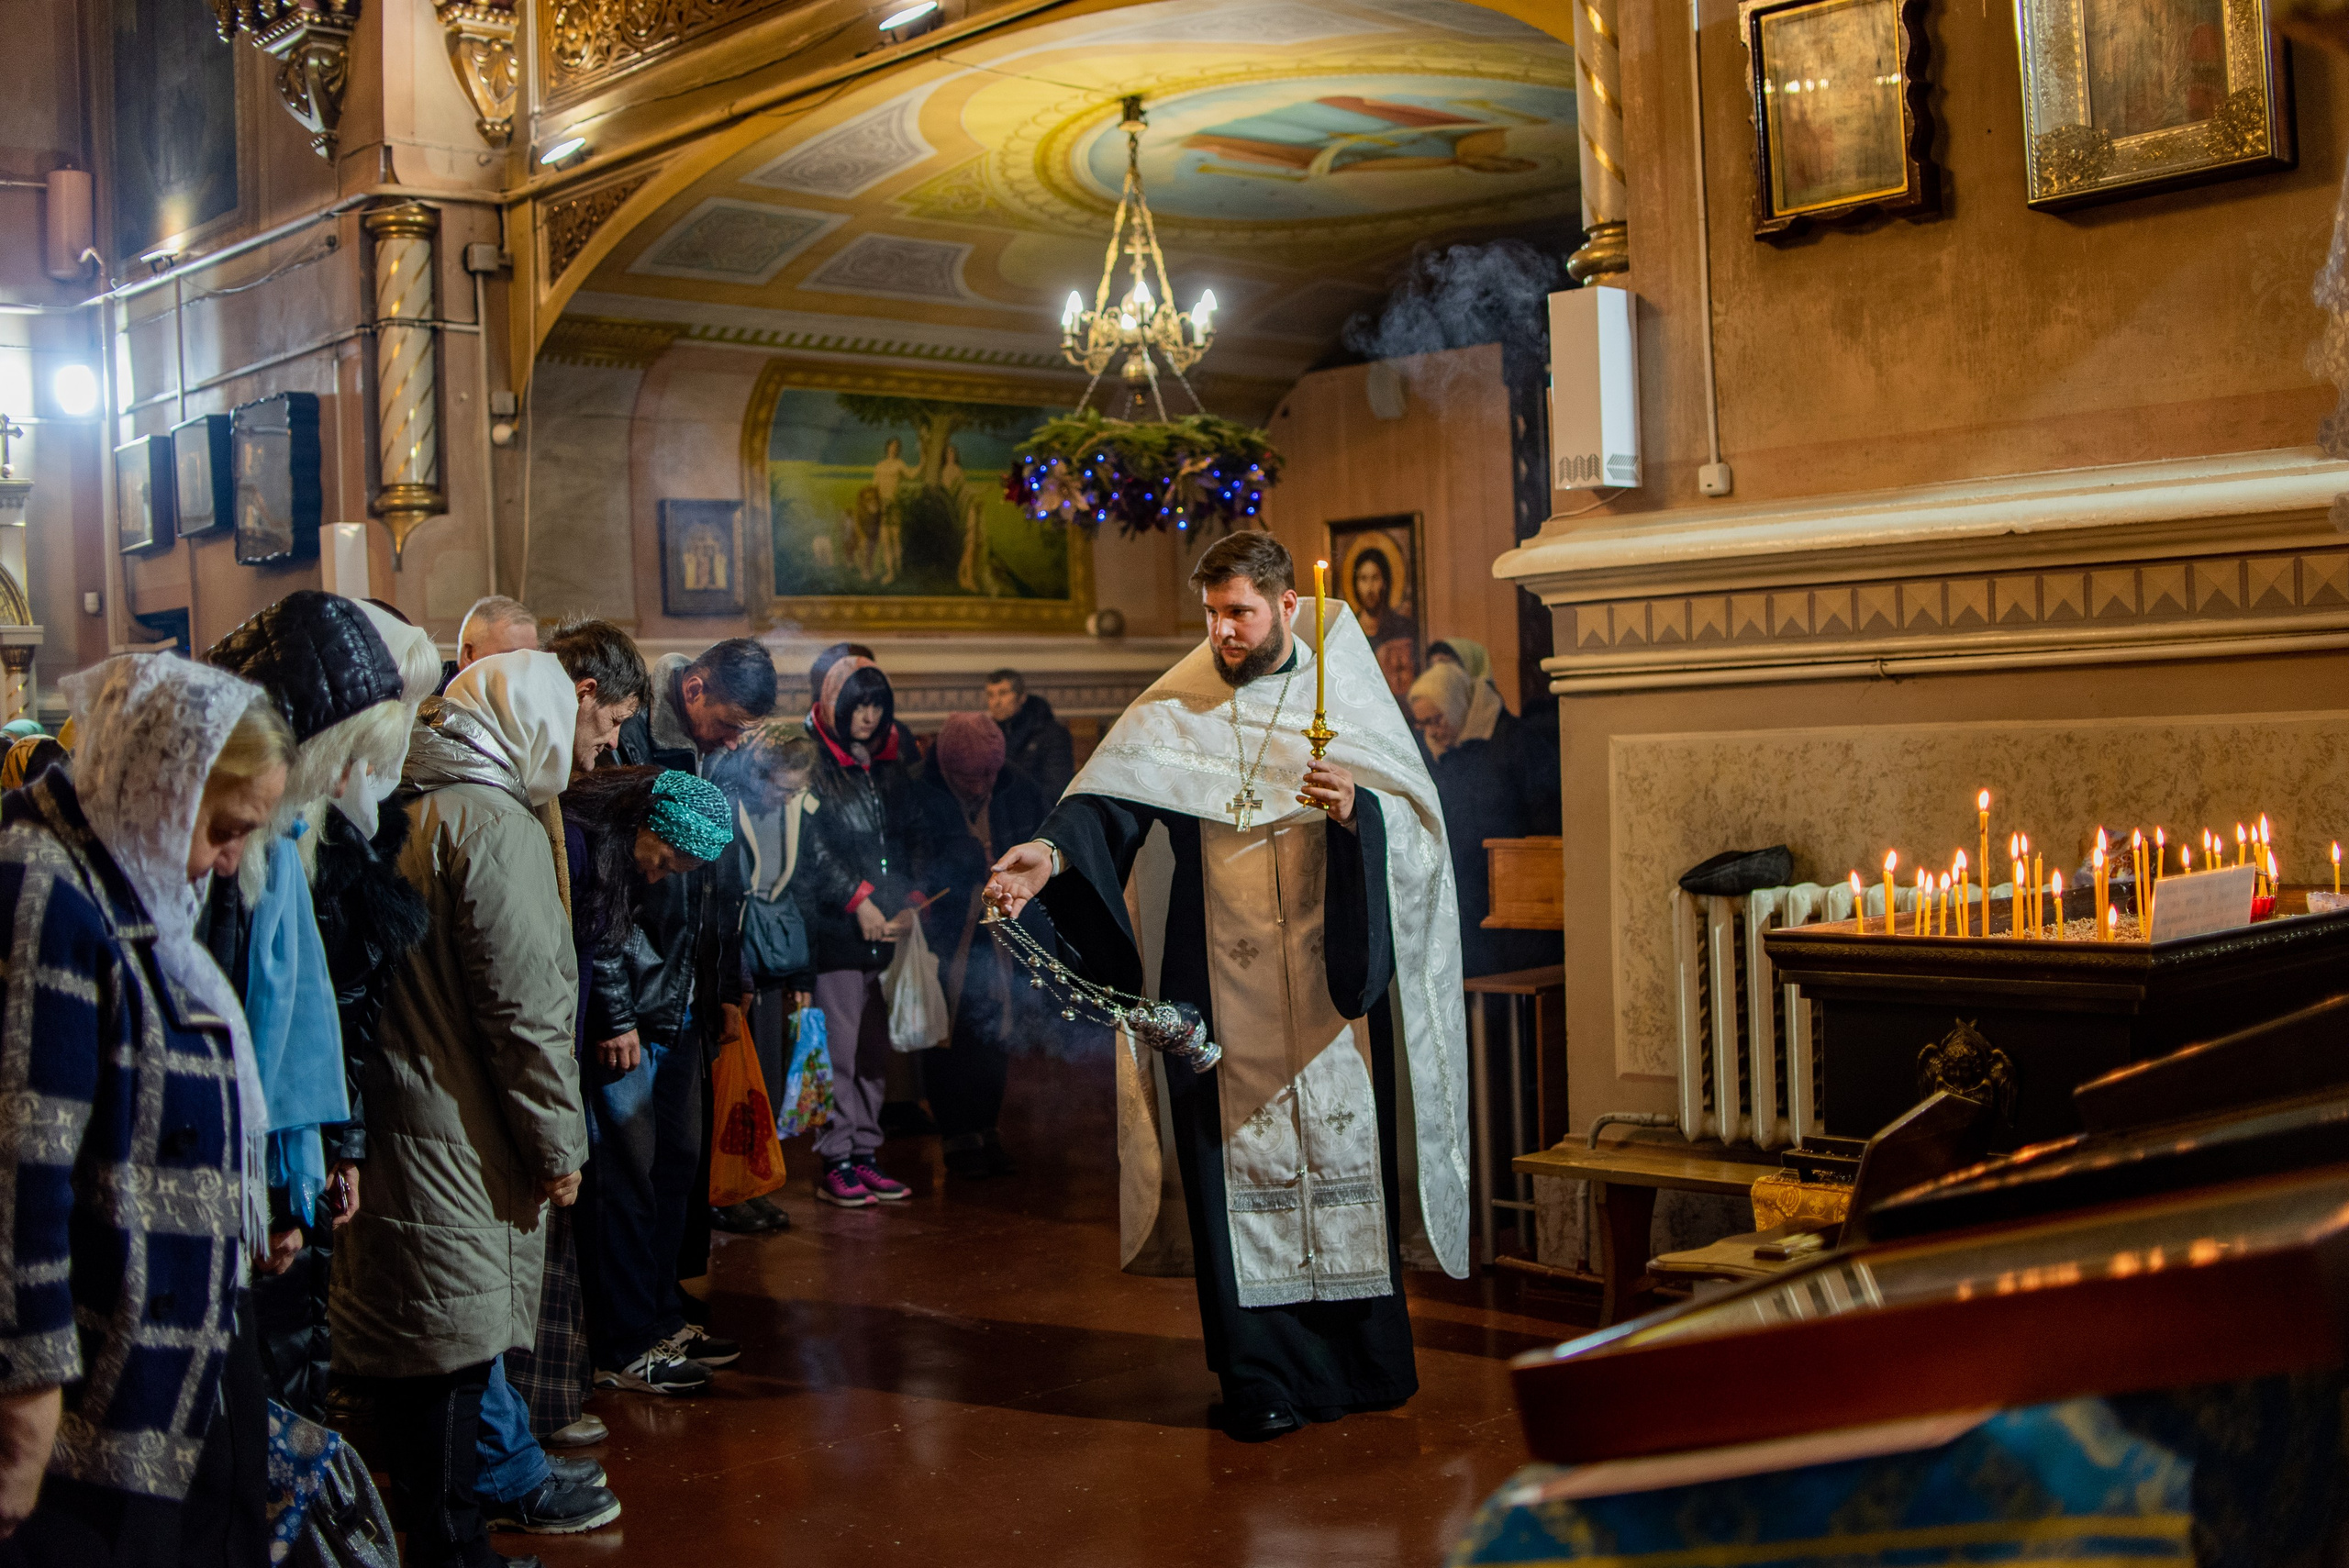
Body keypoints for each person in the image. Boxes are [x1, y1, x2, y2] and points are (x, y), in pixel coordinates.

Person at [984, 530, 1470, 1443]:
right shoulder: (1182, 704)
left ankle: (1364, 1365)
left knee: (1341, 1161)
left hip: (1331, 1000)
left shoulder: (1345, 701)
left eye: (1239, 611)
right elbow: (1109, 804)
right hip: (1221, 994)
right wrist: (1045, 857)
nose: (1222, 631)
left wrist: (1355, 810)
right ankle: (1261, 1379)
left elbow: (1415, 834)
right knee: (1235, 1182)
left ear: (1288, 607)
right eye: (1211, 614)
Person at [0, 654, 293, 1567]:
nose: (229, 858)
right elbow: (22, 1161)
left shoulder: (135, 882)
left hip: (164, 1350)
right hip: (89, 1385)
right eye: (223, 826)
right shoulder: (44, 884)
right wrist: (25, 1393)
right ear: (161, 784)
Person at [329, 651, 597, 1568]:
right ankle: (456, 1553)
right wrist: (559, 1142)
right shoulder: (493, 822)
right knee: (450, 1352)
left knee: (415, 1354)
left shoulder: (400, 796)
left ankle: (442, 1542)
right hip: (460, 1134)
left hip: (394, 1115)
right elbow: (525, 1010)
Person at [599, 639, 777, 1376]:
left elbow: (720, 877)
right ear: (694, 688)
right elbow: (608, 889)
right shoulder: (631, 737)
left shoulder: (716, 749)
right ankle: (627, 1330)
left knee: (676, 1162)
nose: (735, 741)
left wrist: (726, 981)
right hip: (641, 998)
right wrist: (615, 1007)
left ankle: (662, 1309)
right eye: (730, 723)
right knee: (630, 1173)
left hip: (688, 991)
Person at [794, 656, 942, 1207]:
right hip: (837, 930)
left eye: (877, 706)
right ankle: (836, 1156)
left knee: (874, 1052)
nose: (868, 716)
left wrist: (909, 898)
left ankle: (864, 1152)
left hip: (888, 928)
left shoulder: (885, 764)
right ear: (836, 704)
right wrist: (856, 900)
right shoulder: (814, 762)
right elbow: (811, 847)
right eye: (859, 705)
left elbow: (907, 839)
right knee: (841, 1050)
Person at [924, 713, 1046, 1179]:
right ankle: (957, 1135)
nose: (978, 787)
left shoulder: (1019, 788)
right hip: (947, 931)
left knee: (997, 1030)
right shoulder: (923, 791)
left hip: (1003, 930)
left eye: (986, 777)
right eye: (967, 778)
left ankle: (987, 1128)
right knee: (949, 1036)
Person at [1408, 662, 1560, 978]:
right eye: (1423, 725)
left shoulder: (1516, 742)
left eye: (1437, 719)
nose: (1433, 732)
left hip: (1518, 900)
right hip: (1466, 896)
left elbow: (1546, 820)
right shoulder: (1438, 753)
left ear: (1456, 704)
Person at [985, 669, 1075, 802]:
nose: (996, 702)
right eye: (990, 695)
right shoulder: (987, 735)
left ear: (1021, 697)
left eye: (1003, 693)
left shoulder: (1051, 733)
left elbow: (1056, 789)